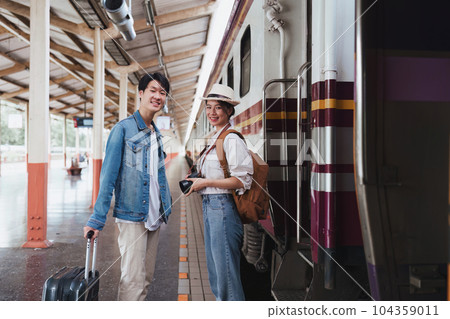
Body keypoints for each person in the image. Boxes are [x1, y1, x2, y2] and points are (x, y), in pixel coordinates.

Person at [83, 72, 172, 301]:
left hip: (154, 216)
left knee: (145, 280)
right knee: (132, 281)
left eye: (162, 92)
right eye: (153, 90)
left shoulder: (157, 135)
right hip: (133, 216)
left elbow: (158, 176)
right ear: (141, 94)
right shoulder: (122, 130)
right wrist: (96, 219)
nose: (158, 96)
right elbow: (108, 177)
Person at [185, 83, 253, 301]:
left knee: (227, 280)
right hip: (211, 207)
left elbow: (242, 180)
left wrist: (205, 183)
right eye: (209, 107)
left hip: (222, 208)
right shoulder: (215, 138)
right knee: (216, 276)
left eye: (218, 108)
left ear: (229, 111)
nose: (212, 113)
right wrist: (197, 179)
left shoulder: (232, 139)